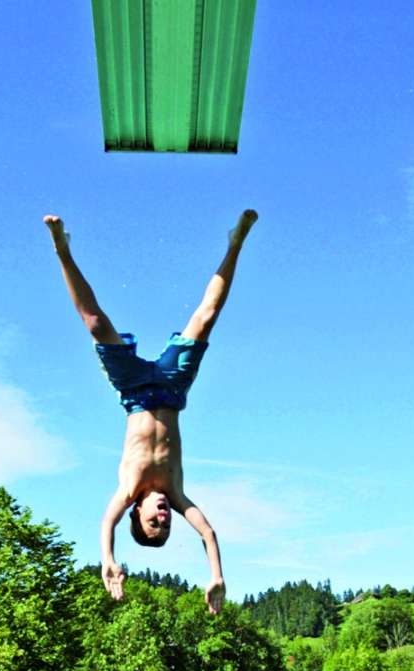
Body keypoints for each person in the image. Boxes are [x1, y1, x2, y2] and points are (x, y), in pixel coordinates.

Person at [43, 209, 258, 614]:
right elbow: (208, 533)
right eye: (166, 523)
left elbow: (105, 523)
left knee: (94, 323)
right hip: (173, 389)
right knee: (207, 317)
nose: (162, 516)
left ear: (137, 514)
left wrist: (107, 559)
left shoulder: (127, 492)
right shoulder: (176, 494)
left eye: (152, 522)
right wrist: (216, 575)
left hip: (135, 392)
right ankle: (235, 243)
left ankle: (62, 251)